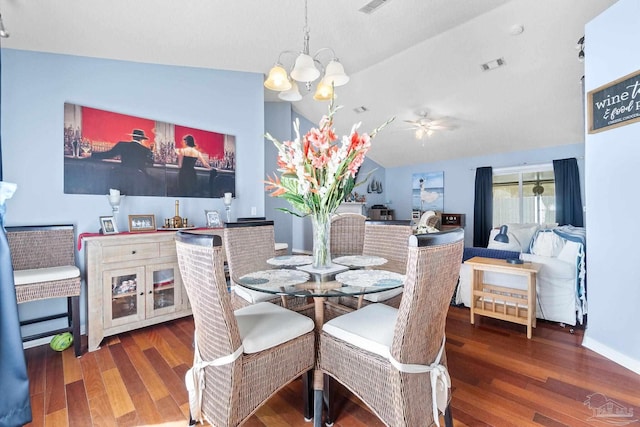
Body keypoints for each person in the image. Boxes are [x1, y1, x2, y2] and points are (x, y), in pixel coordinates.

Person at [91, 129, 155, 195]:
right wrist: (151, 152)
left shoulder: (122, 145)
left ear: (132, 137)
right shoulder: (146, 150)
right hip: (137, 178)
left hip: (122, 175)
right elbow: (151, 162)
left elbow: (108, 154)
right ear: (142, 139)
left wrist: (91, 154)